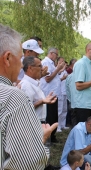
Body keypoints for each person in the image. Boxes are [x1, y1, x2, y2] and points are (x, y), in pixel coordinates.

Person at [0, 23, 57, 169]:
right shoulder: (14, 97)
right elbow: (26, 161)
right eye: (20, 59)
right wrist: (40, 140)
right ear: (7, 58)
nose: (21, 66)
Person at [19, 56, 57, 122]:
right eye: (40, 66)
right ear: (30, 68)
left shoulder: (34, 82)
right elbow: (25, 110)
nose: (42, 69)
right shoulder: (26, 85)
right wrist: (42, 101)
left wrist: (45, 100)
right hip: (32, 123)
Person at [40, 47, 65, 143]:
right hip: (48, 94)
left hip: (54, 94)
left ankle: (53, 135)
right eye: (56, 55)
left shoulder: (51, 63)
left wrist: (59, 70)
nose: (57, 57)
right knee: (50, 116)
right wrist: (57, 68)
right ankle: (49, 137)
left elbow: (54, 76)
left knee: (54, 116)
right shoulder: (46, 63)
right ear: (51, 53)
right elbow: (48, 78)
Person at [57, 56, 69, 132]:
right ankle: (57, 126)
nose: (63, 63)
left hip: (65, 93)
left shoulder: (65, 71)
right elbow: (56, 81)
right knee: (59, 110)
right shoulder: (57, 71)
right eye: (61, 61)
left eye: (63, 61)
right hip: (60, 92)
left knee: (64, 110)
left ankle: (62, 125)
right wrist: (62, 78)